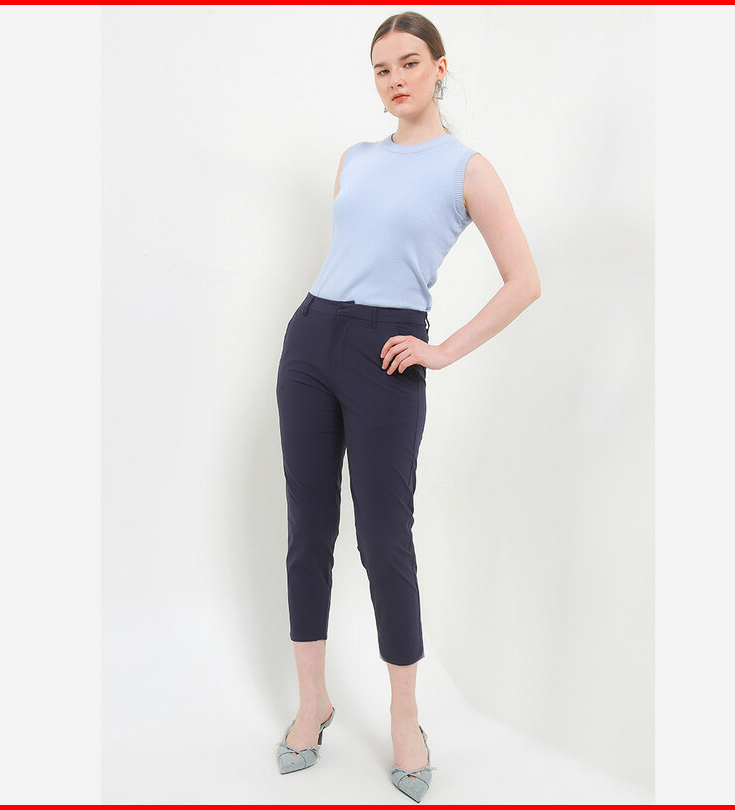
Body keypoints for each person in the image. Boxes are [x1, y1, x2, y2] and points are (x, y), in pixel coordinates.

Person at [274, 10, 541, 802]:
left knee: (385, 540)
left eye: (409, 63)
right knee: (308, 532)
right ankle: (313, 702)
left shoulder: (467, 168)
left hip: (389, 350)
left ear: (439, 68)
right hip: (311, 338)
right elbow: (349, 254)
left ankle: (404, 716)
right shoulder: (356, 159)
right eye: (382, 68)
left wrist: (442, 349)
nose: (395, 79)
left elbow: (525, 280)